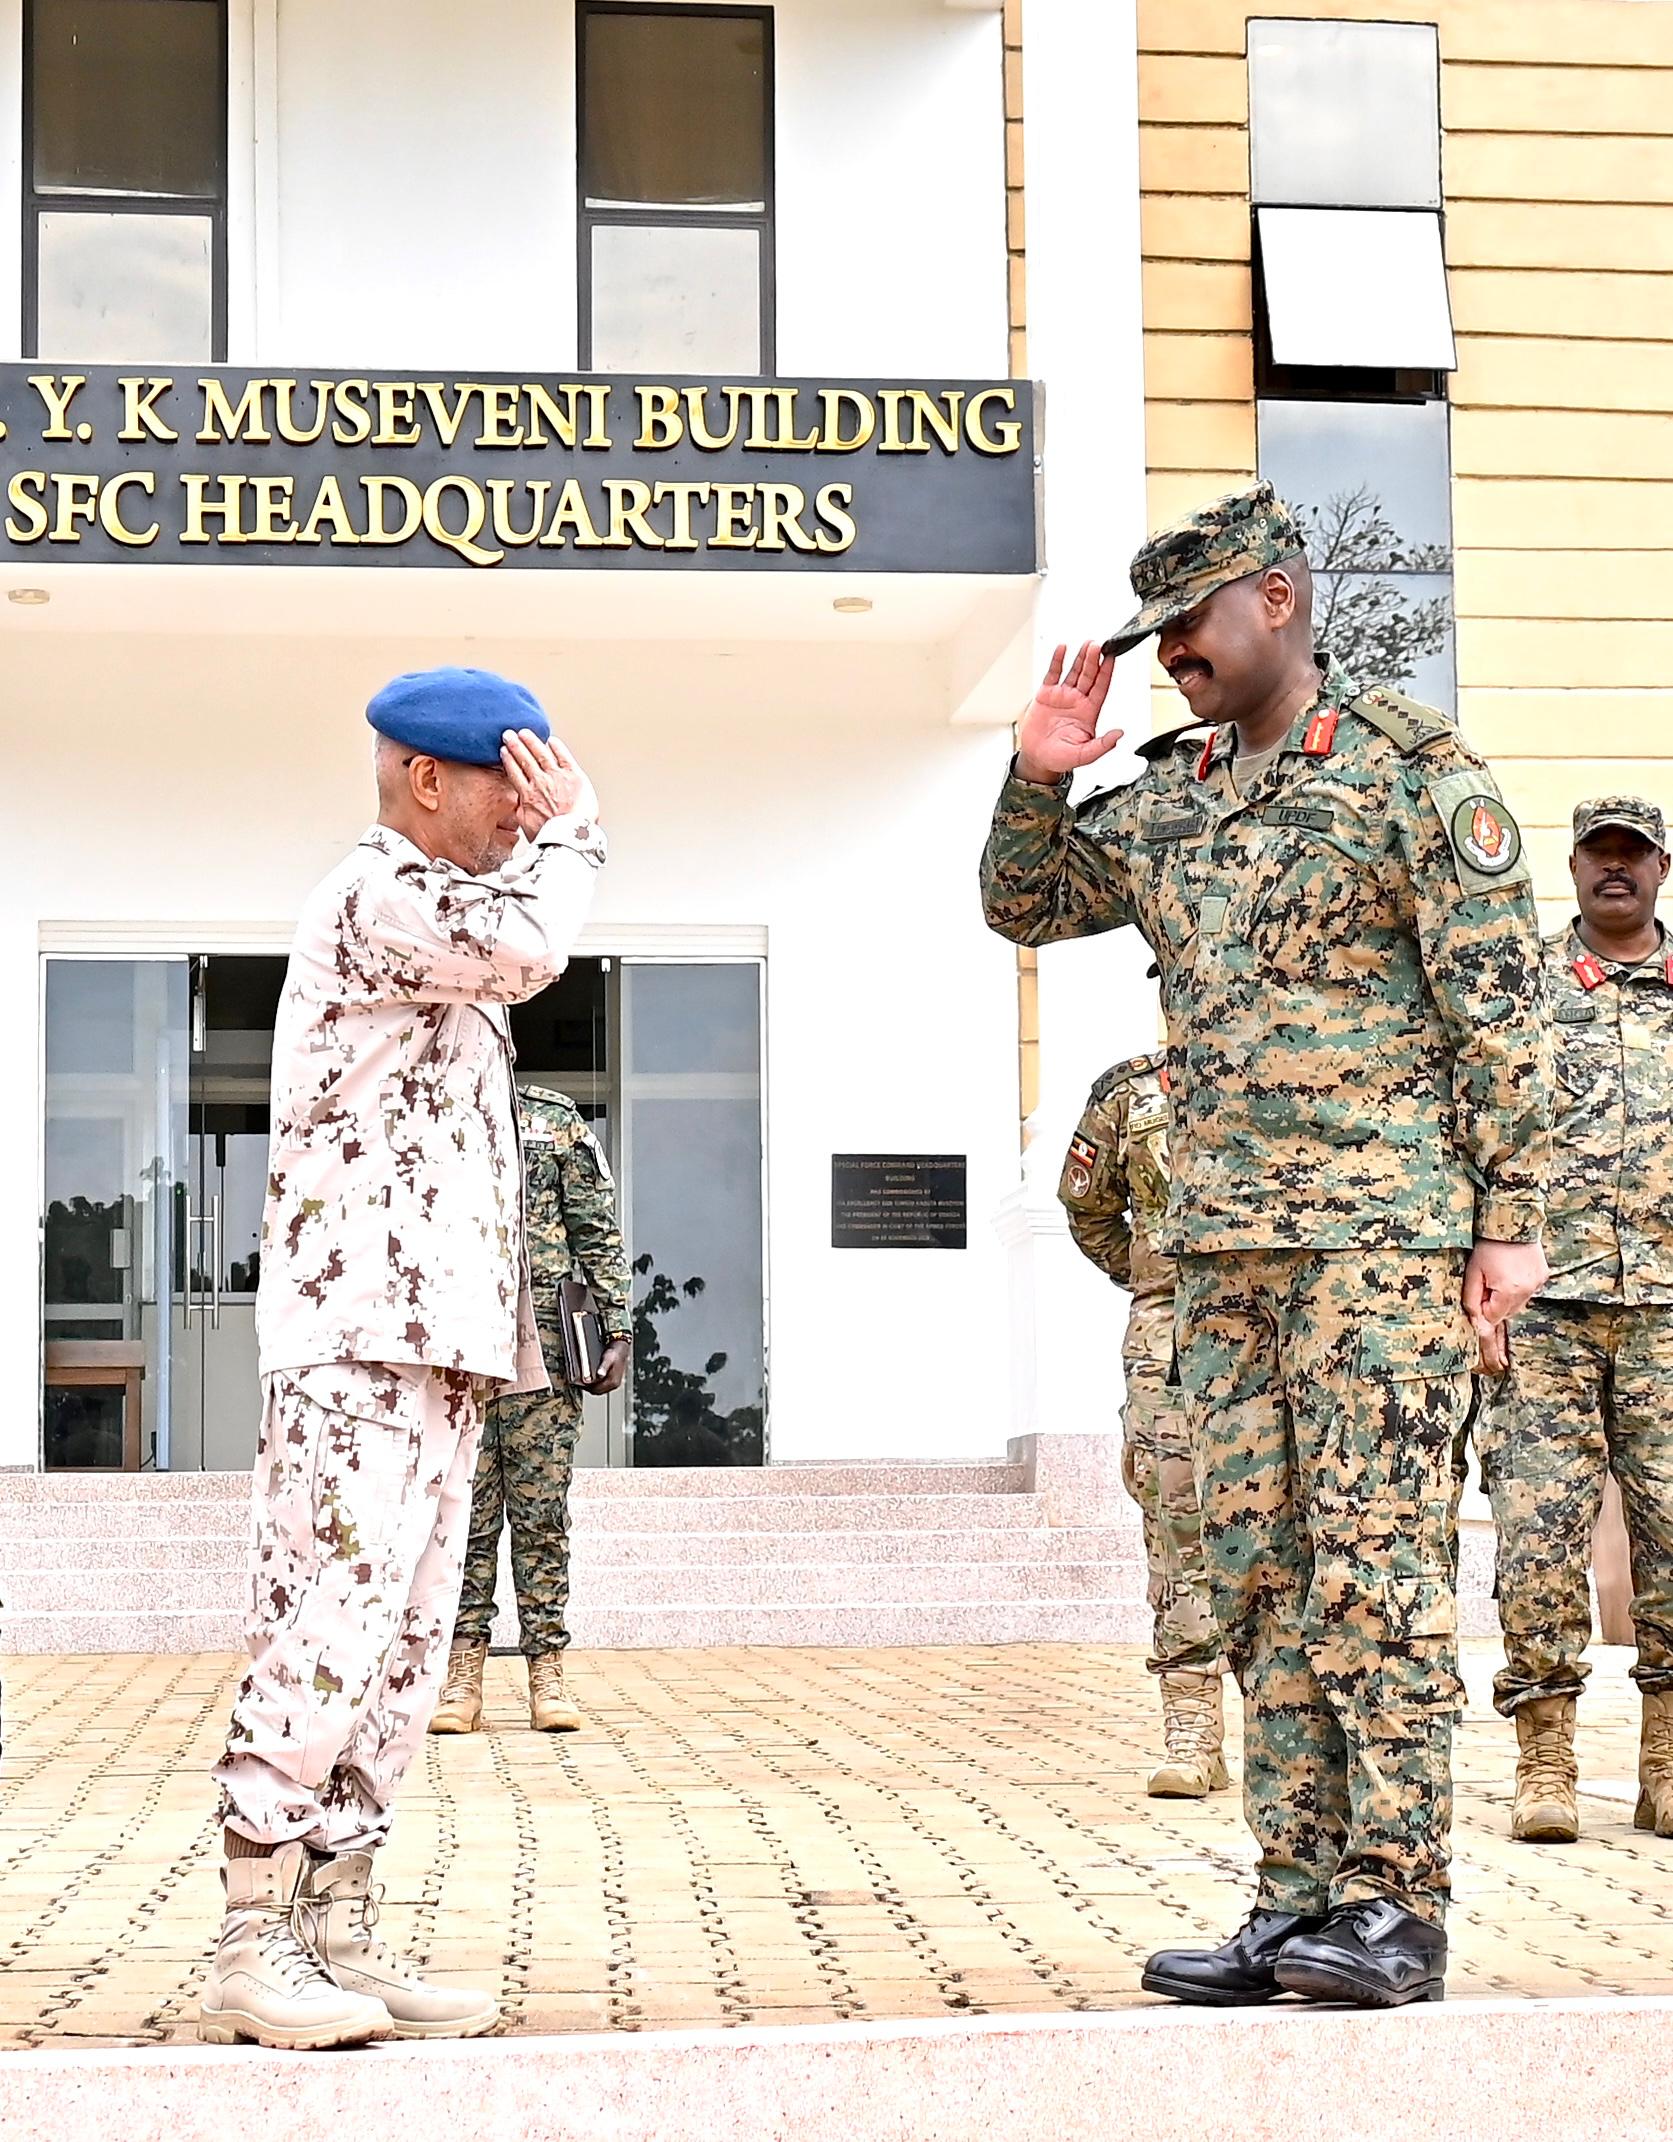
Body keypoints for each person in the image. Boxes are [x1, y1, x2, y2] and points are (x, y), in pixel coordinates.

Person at [980, 481, 1550, 2010]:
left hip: (1381, 1247)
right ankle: (1294, 1900)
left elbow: (1503, 1013)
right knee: (1257, 1577)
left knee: (1377, 1570)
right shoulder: (1171, 798)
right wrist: (1036, 775)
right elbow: (1023, 903)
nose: (1173, 654)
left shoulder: (1411, 775)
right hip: (1221, 1255)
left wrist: (1510, 1225)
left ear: (1277, 601)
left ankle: (1397, 1903)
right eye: (1157, 634)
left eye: (1191, 624)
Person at [200, 666, 606, 2051]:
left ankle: (336, 1926)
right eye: (511, 782)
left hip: (440, 1343)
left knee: (407, 1643)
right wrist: (582, 829)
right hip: (357, 1334)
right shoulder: (379, 894)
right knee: (327, 1622)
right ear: (426, 778)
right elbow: (536, 943)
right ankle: (252, 1936)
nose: (526, 812)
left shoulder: (442, 915)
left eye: (541, 790)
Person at [1476, 796, 1673, 1842]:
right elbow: (1474, 1130)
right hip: (1541, 1309)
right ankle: (1544, 1760)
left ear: (1660, 869)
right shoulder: (1523, 988)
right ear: (1573, 868)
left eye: (1632, 855)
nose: (1614, 870)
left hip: (1669, 1313)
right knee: (1534, 1535)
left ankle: (1665, 1763)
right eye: (1599, 854)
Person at [431, 1083, 632, 1735]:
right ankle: (462, 1677)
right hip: (457, 1354)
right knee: (464, 1521)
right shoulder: (432, 1111)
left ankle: (547, 1673)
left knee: (540, 1517)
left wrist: (618, 1329)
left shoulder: (552, 1120)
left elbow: (595, 1228)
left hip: (542, 1351)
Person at [1059, 1052, 1230, 1796]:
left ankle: (1298, 1736)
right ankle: (1192, 1728)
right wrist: (1148, 1276)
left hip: (1294, 1322)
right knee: (1177, 1516)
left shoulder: (1301, 1060)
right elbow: (1088, 1208)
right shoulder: (1130, 1093)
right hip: (1172, 1333)